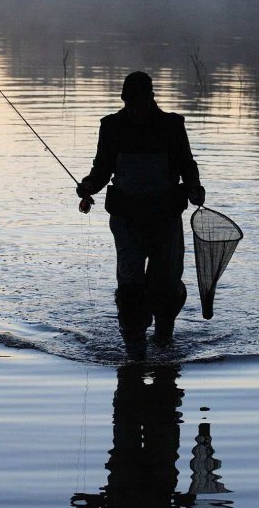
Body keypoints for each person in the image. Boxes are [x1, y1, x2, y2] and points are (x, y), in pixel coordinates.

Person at [76, 71, 205, 356]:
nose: (135, 110)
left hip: (165, 219)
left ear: (151, 99)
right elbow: (101, 170)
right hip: (126, 221)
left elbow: (187, 165)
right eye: (129, 104)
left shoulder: (172, 126)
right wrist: (88, 187)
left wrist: (194, 188)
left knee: (166, 288)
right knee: (131, 288)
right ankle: (134, 349)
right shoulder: (111, 127)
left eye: (139, 103)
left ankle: (163, 336)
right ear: (124, 101)